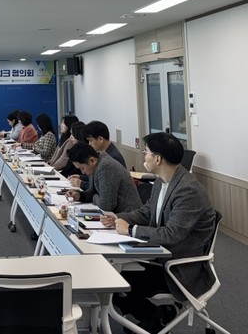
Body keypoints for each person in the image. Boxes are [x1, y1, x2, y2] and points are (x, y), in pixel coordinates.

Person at [102, 133, 217, 333]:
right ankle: (154, 318)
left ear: (158, 159)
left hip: (179, 267)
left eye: (145, 152)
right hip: (161, 257)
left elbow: (171, 235)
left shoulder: (188, 190)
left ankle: (154, 317)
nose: (143, 156)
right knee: (111, 278)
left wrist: (130, 230)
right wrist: (118, 218)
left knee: (116, 284)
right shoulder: (162, 182)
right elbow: (147, 212)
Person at [65, 143, 141, 214]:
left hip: (127, 215)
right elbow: (92, 192)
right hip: (114, 214)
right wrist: (80, 196)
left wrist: (94, 197)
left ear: (92, 161)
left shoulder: (106, 167)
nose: (83, 172)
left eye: (82, 168)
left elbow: (107, 205)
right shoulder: (95, 164)